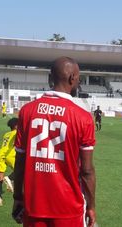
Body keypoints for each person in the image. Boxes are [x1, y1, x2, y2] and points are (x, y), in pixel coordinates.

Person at [12, 57, 97, 227]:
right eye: (78, 77)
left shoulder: (27, 111)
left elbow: (20, 161)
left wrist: (18, 197)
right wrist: (91, 206)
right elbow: (86, 171)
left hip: (33, 205)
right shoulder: (83, 117)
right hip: (68, 207)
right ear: (73, 78)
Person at [0, 118, 19, 206]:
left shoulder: (6, 134)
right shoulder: (16, 133)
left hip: (0, 154)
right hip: (9, 154)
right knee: (21, 170)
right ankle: (9, 178)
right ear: (16, 126)